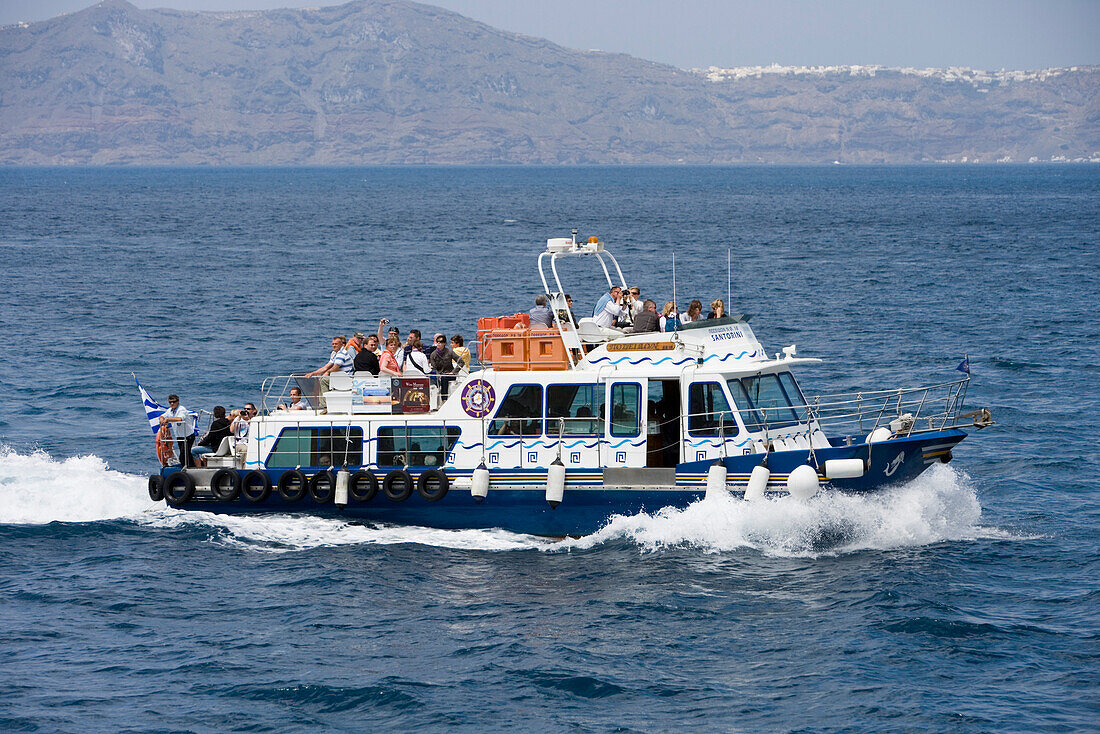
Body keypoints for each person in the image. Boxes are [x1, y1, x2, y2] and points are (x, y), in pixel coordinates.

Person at [160, 394, 195, 468]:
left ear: (178, 402)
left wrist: (168, 419)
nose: (172, 404)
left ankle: (190, 468)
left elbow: (180, 419)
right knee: (185, 455)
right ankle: (190, 467)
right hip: (179, 436)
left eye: (174, 402)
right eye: (170, 402)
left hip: (188, 436)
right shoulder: (169, 410)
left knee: (184, 455)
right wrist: (162, 419)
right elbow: (163, 415)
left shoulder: (181, 409)